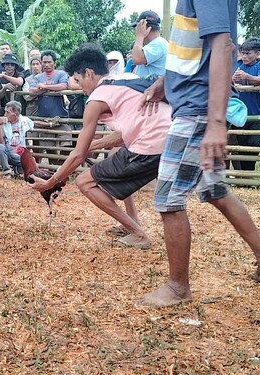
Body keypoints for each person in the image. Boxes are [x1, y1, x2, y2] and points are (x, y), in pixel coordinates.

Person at [137, 0, 260, 307]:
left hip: (198, 107)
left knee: (168, 197)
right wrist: (167, 82)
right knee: (214, 189)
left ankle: (178, 287)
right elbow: (196, 49)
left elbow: (223, 46)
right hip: (197, 101)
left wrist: (216, 122)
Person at [31, 43, 172, 250]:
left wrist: (51, 182)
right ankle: (131, 223)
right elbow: (125, 133)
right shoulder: (127, 78)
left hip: (150, 144)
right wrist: (93, 145)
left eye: (78, 80)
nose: (80, 87)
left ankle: (138, 234)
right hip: (171, 136)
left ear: (89, 73)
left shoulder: (96, 98)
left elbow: (78, 156)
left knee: (84, 181)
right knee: (116, 157)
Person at [231, 37, 260, 171]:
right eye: (243, 53)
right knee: (239, 144)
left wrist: (246, 77)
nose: (245, 56)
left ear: (257, 54)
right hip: (238, 113)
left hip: (255, 112)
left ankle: (249, 173)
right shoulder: (238, 65)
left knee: (253, 144)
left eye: (248, 53)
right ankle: (241, 175)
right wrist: (233, 79)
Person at [28, 50, 71, 164]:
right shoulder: (38, 77)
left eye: (49, 62)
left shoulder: (60, 74)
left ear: (54, 63)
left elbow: (63, 86)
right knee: (48, 145)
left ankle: (63, 166)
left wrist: (44, 87)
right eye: (44, 62)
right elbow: (31, 91)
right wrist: (45, 88)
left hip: (60, 116)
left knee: (67, 141)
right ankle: (55, 167)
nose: (46, 65)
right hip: (44, 117)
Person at [0, 101, 31, 175]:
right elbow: (0, 142)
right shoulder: (3, 124)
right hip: (8, 154)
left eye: (7, 112)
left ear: (15, 115)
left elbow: (35, 123)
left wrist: (49, 124)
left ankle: (18, 169)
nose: (5, 115)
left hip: (20, 156)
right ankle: (7, 171)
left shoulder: (24, 121)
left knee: (27, 159)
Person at [130, 10, 168, 78]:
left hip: (150, 87)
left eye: (137, 27)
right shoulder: (155, 44)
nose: (135, 30)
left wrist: (140, 36)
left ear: (144, 27)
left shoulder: (159, 43)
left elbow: (136, 59)